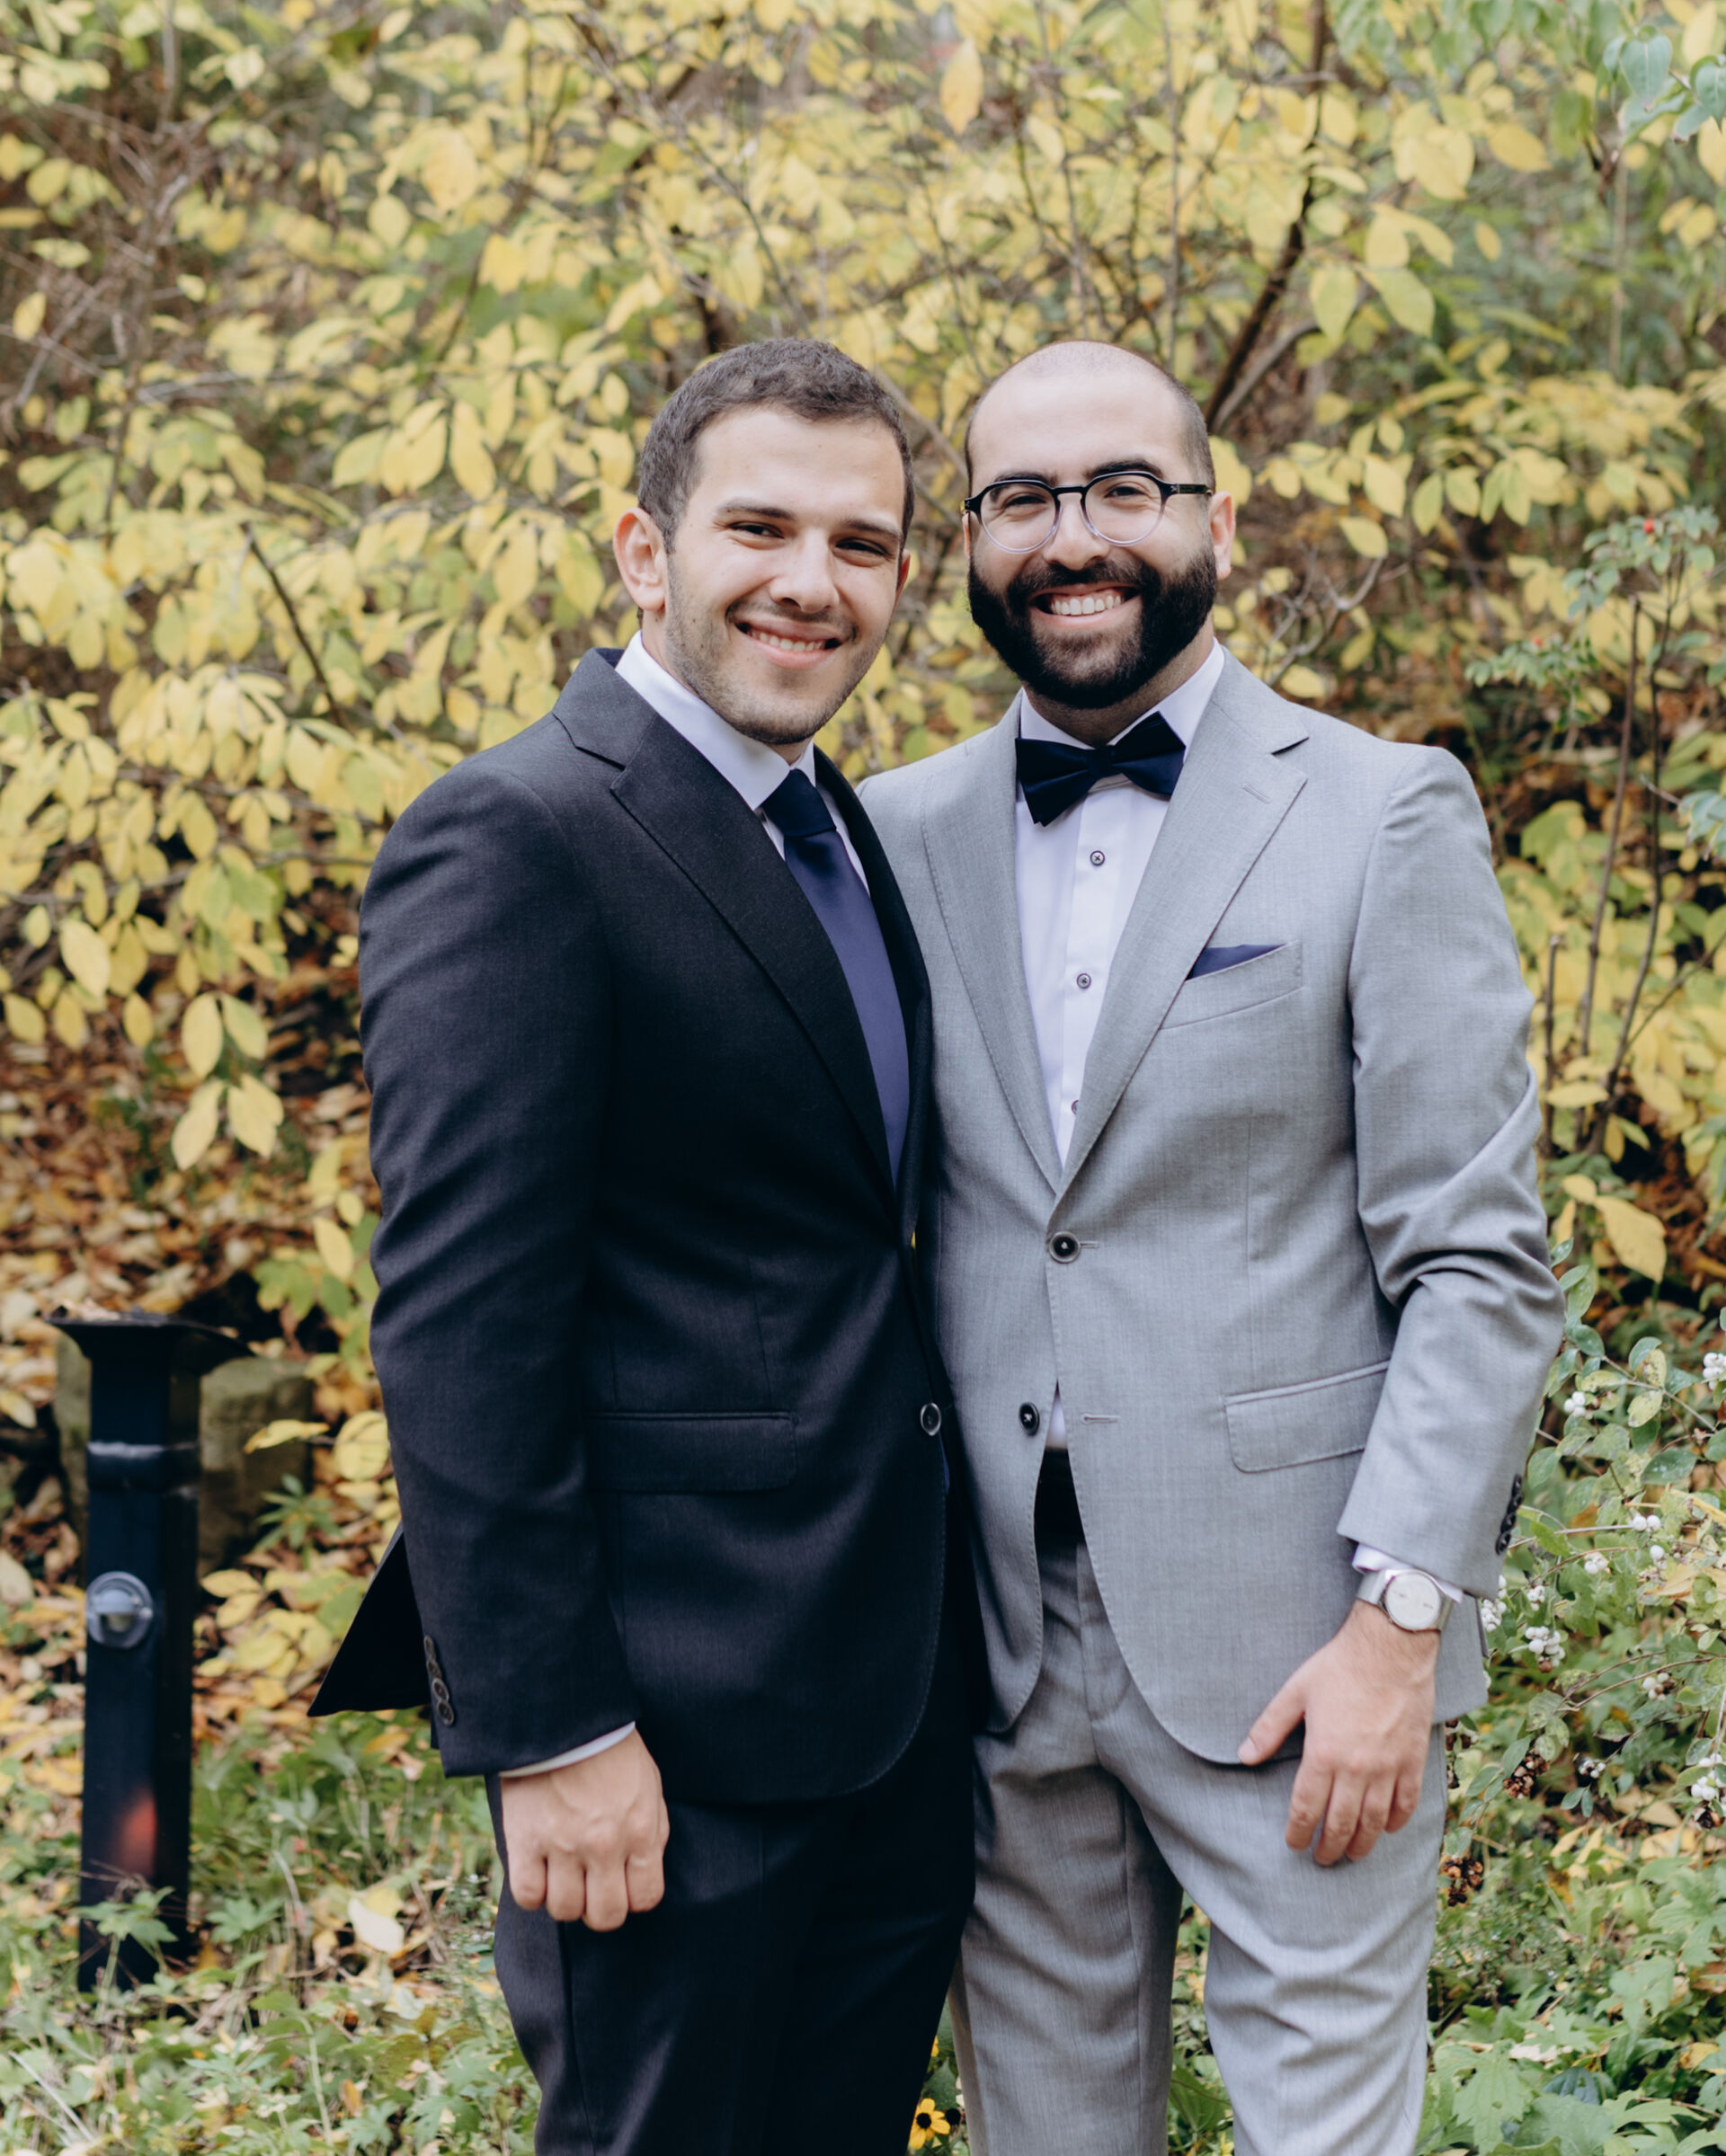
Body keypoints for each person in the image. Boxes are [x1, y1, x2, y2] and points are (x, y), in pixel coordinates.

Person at [858, 340, 1562, 2156]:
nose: (1071, 536)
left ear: (1217, 522)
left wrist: (1399, 1627)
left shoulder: (1381, 812)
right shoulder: (890, 835)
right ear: (970, 543)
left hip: (1299, 1646)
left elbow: (1478, 1264)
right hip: (996, 1653)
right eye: (1021, 498)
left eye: (1123, 489)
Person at [311, 338, 978, 2156]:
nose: (811, 582)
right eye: (759, 528)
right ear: (642, 549)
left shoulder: (843, 832)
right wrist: (551, 1730)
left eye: (862, 544)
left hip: (886, 1705)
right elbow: (463, 1323)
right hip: (661, 1737)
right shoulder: (514, 835)